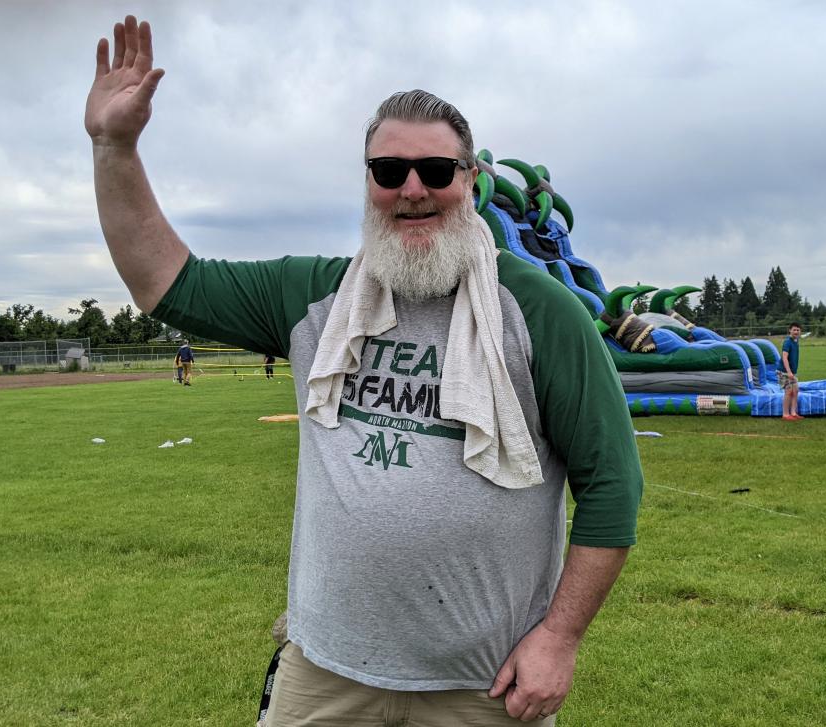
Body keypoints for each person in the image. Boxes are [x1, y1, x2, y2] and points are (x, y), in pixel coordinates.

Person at [86, 16, 642, 726]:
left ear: (468, 180)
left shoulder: (540, 311)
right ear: (369, 180)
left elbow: (613, 483)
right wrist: (115, 146)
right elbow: (164, 280)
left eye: (435, 171)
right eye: (389, 171)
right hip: (325, 671)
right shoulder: (311, 295)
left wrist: (558, 639)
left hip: (484, 682)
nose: (413, 189)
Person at [778, 323, 802, 420]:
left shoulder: (796, 341)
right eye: (794, 330)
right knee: (788, 391)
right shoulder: (787, 342)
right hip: (784, 371)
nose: (796, 332)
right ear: (790, 331)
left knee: (795, 391)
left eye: (798, 330)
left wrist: (792, 372)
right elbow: (784, 357)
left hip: (791, 372)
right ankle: (785, 414)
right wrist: (789, 372)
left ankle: (793, 412)